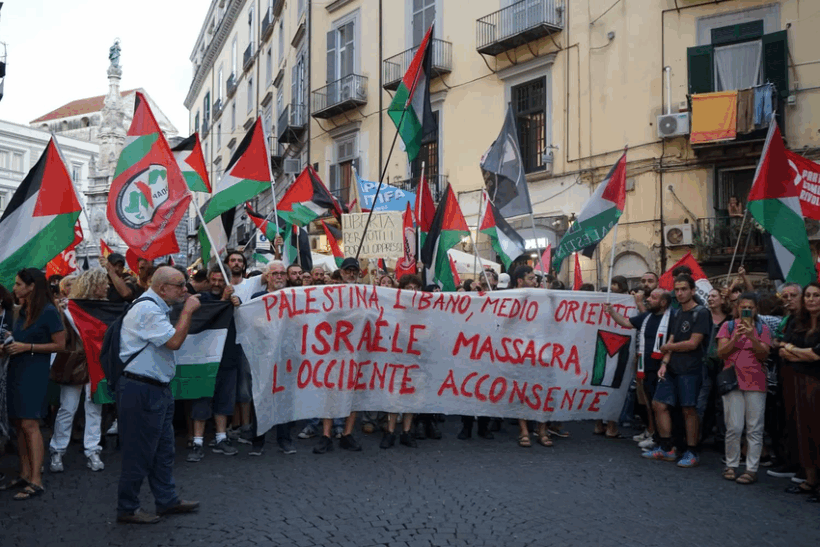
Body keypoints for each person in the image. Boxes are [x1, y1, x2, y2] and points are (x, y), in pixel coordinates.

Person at [116, 266, 201, 524]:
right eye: (180, 285)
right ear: (162, 288)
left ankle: (167, 500)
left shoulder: (155, 307)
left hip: (156, 389)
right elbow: (174, 342)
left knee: (163, 450)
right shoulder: (148, 310)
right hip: (142, 389)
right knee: (140, 452)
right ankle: (127, 508)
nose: (185, 290)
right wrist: (187, 312)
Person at [0, 268, 66, 500]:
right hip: (16, 369)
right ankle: (25, 473)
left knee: (30, 424)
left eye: (19, 284)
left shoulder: (48, 311)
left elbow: (60, 344)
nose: (15, 288)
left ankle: (36, 479)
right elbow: (20, 341)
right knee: (18, 423)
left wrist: (27, 347)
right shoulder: (23, 310)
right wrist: (10, 344)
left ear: (31, 287)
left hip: (34, 372)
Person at [642, 274, 711, 468]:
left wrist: (668, 349)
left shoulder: (701, 313)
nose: (679, 293)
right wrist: (664, 363)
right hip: (672, 368)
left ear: (692, 290)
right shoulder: (677, 313)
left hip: (691, 370)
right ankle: (667, 448)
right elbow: (671, 339)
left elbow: (693, 343)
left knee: (689, 409)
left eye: (683, 289)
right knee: (658, 404)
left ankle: (692, 451)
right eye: (677, 290)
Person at [49, 269, 109, 474]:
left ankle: (92, 449)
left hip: (96, 364)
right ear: (94, 285)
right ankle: (57, 450)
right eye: (104, 283)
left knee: (94, 407)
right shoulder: (68, 308)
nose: (107, 286)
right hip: (77, 363)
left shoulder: (106, 308)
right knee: (68, 408)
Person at [606, 289, 674, 451]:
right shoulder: (646, 317)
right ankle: (656, 437)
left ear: (663, 302)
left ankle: (667, 442)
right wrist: (611, 312)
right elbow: (626, 323)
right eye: (649, 297)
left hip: (666, 368)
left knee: (663, 406)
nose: (648, 299)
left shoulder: (673, 318)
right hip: (648, 367)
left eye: (653, 297)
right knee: (652, 405)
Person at [186, 268, 241, 463]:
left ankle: (221, 438)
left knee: (224, 400)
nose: (217, 284)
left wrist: (235, 303)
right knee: (202, 398)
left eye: (220, 280)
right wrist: (224, 301)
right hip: (205, 359)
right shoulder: (201, 298)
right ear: (209, 280)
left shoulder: (235, 298)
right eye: (214, 280)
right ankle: (198, 442)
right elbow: (206, 314)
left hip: (227, 356)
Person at [716, 292, 772, 485]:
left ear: (756, 310)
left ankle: (751, 469)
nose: (746, 310)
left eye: (750, 307)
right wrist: (736, 337)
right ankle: (731, 464)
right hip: (733, 381)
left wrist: (751, 337)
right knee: (734, 426)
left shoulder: (762, 328)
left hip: (756, 381)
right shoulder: (728, 326)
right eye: (743, 306)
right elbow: (721, 353)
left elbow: (764, 354)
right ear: (737, 307)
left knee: (755, 428)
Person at [313, 258, 363, 454]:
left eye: (354, 271)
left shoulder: (366, 294)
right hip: (333, 351)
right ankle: (326, 435)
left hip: (357, 351)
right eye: (347, 271)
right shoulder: (331, 294)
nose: (351, 274)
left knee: (354, 394)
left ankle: (347, 434)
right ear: (341, 273)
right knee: (330, 392)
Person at [249, 261, 297, 456]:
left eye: (282, 273)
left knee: (284, 397)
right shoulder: (257, 298)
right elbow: (251, 323)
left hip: (286, 354)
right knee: (261, 396)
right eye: (274, 273)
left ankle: (284, 439)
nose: (279, 276)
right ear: (267, 277)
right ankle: (257, 439)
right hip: (263, 355)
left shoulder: (295, 297)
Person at [779, 282, 820, 501]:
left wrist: (794, 350)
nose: (811, 299)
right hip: (800, 381)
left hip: (817, 382)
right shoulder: (798, 321)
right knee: (805, 432)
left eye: (816, 295)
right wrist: (798, 352)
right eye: (808, 295)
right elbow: (783, 349)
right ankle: (810, 480)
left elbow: (816, 355)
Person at [380, 274, 423, 449]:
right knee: (394, 395)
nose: (412, 291)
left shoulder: (424, 310)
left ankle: (406, 432)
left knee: (412, 395)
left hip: (416, 358)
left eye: (415, 288)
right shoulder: (393, 308)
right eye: (409, 288)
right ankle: (390, 432)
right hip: (396, 358)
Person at [768, 283, 803, 480]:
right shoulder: (786, 320)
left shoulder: (806, 321)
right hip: (783, 373)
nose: (788, 299)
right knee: (783, 419)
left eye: (793, 295)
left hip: (802, 374)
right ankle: (788, 460)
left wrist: (784, 345)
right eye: (785, 296)